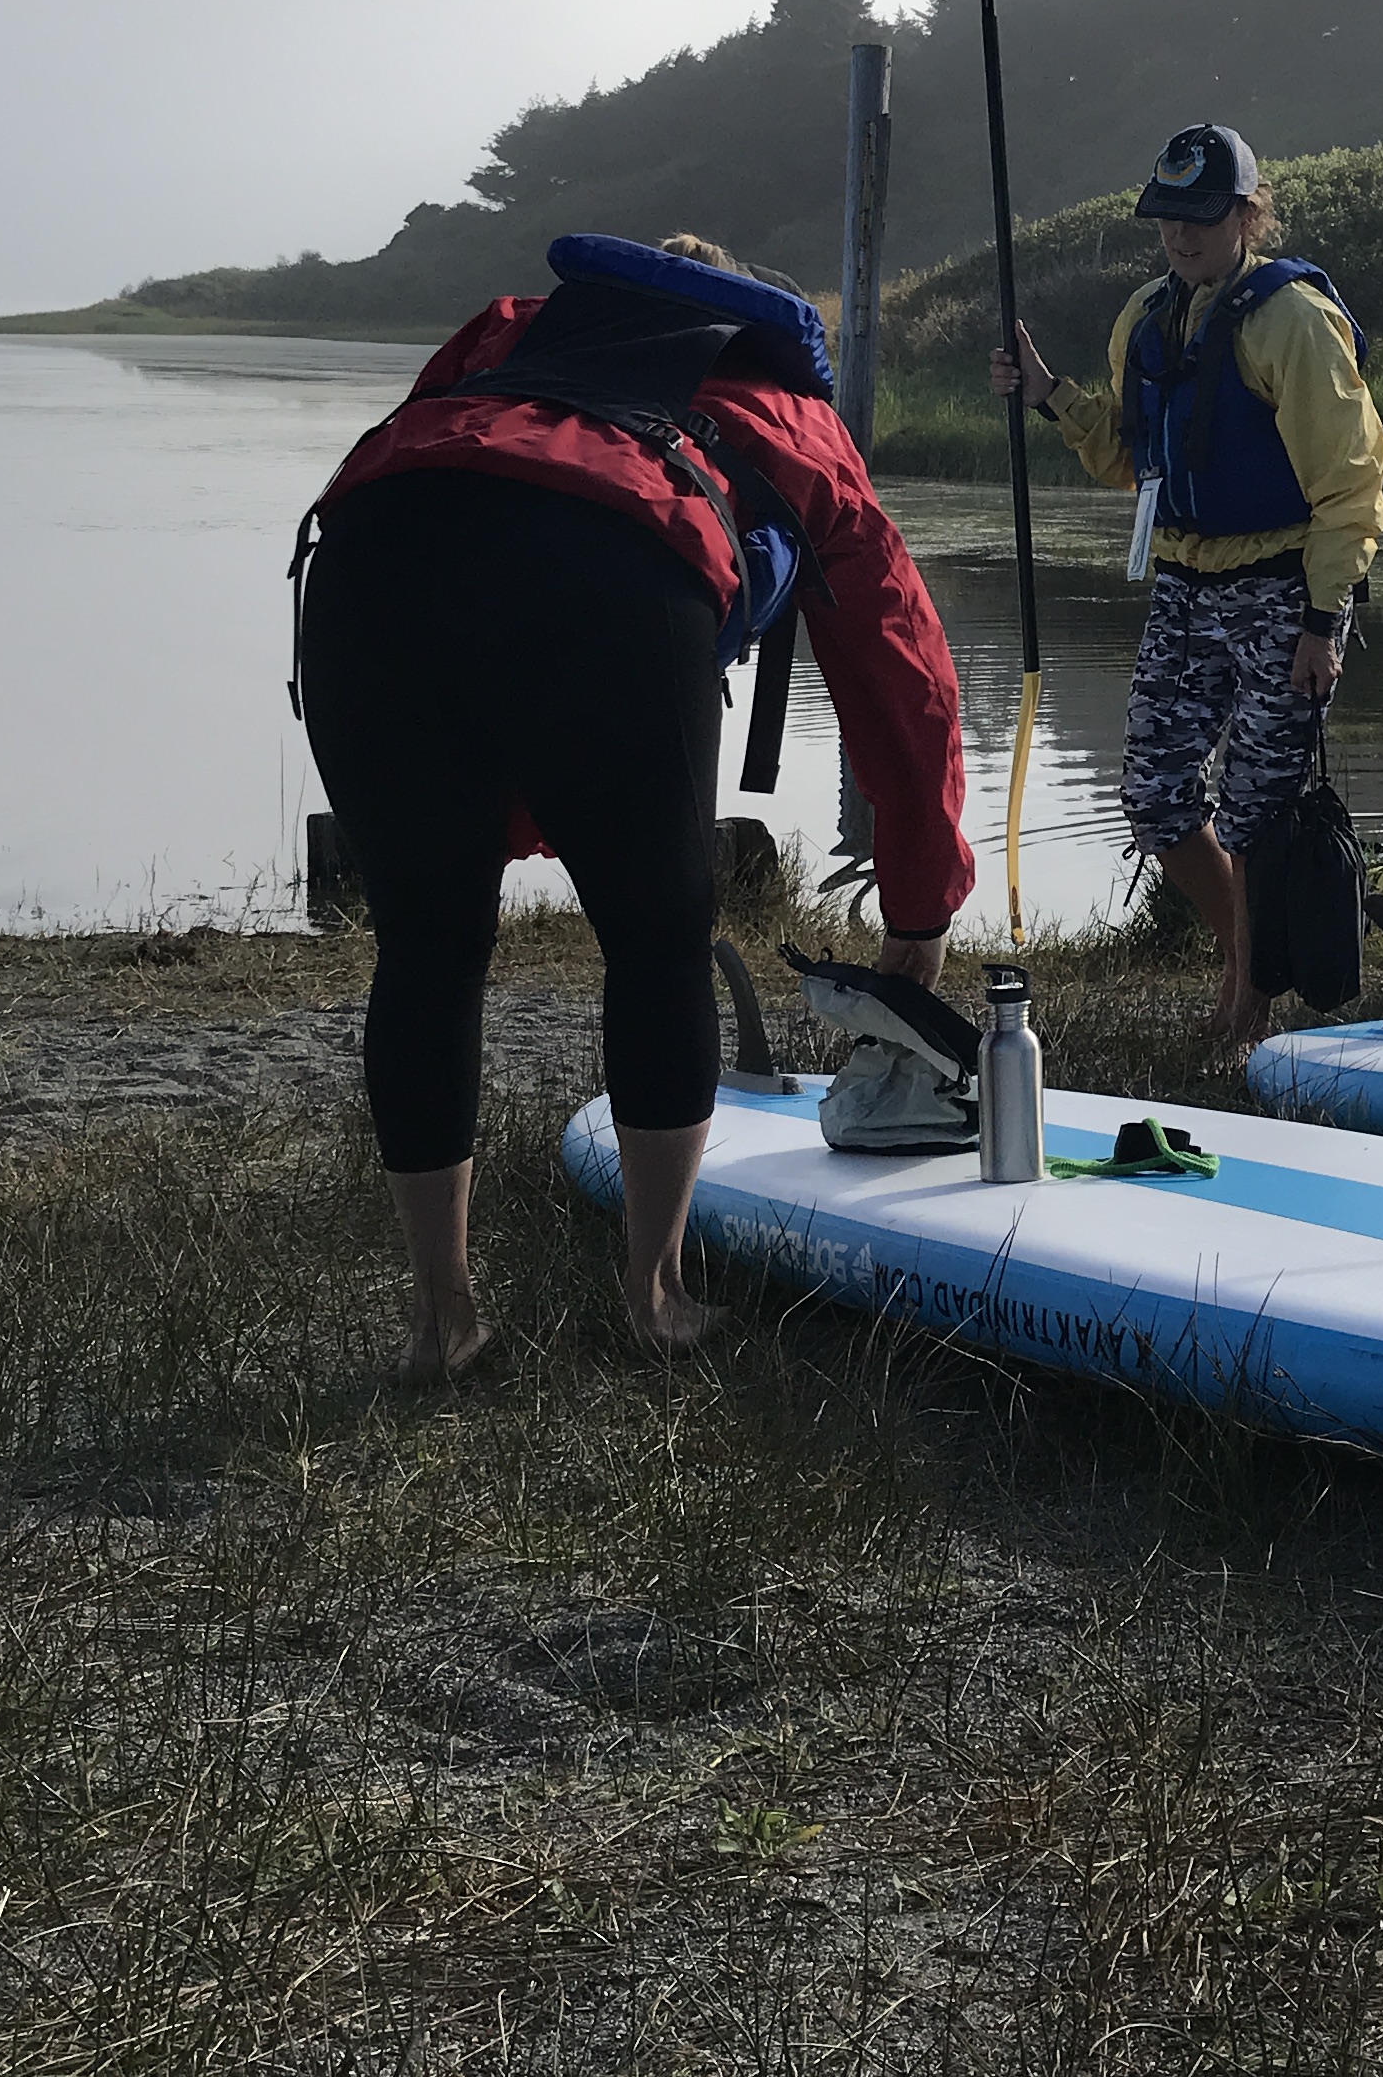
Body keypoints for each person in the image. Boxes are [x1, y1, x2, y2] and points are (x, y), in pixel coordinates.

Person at [296, 230, 969, 1380]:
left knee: (426, 947)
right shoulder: (787, 409)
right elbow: (902, 672)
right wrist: (919, 906)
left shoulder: (509, 339)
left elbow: (453, 482)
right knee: (658, 943)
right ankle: (654, 1300)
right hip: (608, 561)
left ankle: (440, 1324)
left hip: (365, 557)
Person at [990, 124, 1383, 1040]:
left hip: (1285, 591)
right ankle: (1245, 960)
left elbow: (1352, 483)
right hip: (1182, 584)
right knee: (1156, 792)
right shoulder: (1146, 316)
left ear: (1247, 215)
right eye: (1167, 217)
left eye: (1201, 217)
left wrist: (1323, 621)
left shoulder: (1295, 322)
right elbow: (1130, 457)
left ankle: (1248, 1003)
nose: (1180, 235)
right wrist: (1047, 392)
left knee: (1254, 805)